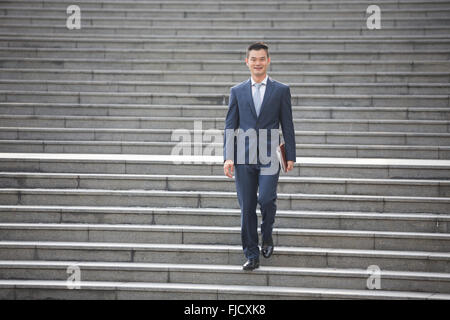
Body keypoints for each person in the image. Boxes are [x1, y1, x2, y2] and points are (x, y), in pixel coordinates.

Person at [223, 42, 296, 271]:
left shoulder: (281, 90)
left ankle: (267, 234)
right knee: (246, 207)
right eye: (253, 59)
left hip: (269, 156)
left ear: (268, 61)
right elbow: (229, 125)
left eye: (262, 59)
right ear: (247, 62)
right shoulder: (237, 91)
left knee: (265, 198)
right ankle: (252, 254)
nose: (257, 63)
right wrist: (228, 156)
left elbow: (288, 124)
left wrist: (291, 154)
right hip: (243, 157)